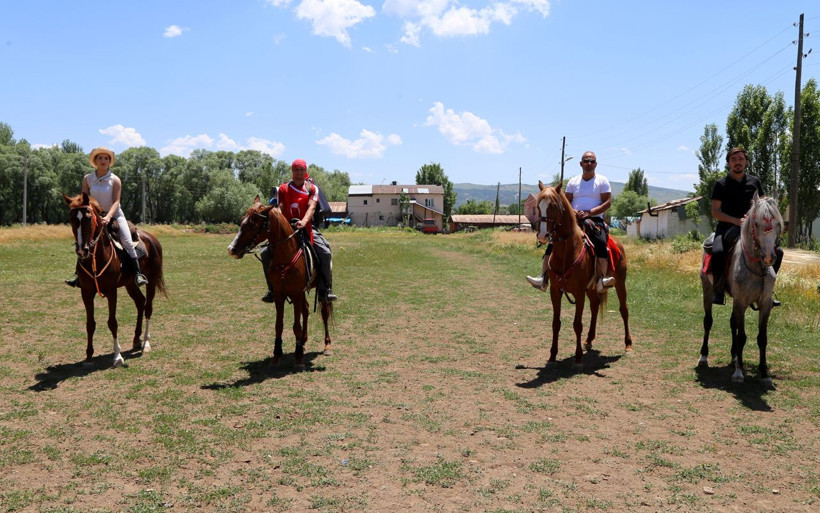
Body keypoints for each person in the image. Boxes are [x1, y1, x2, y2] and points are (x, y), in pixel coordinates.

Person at [526, 151, 615, 292]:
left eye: (592, 161)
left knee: (600, 243)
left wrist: (590, 212)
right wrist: (574, 212)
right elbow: (567, 203)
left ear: (596, 164)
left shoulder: (602, 181)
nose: (589, 163)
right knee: (553, 242)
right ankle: (543, 278)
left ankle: (601, 279)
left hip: (594, 219)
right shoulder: (573, 182)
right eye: (586, 160)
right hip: (574, 219)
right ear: (581, 163)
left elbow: (607, 202)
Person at [65, 147, 148, 287]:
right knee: (83, 241)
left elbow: (116, 202)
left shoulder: (115, 180)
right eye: (100, 158)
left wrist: (108, 217)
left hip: (114, 214)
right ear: (95, 161)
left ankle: (137, 274)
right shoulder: (88, 179)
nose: (103, 161)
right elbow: (83, 200)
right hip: (94, 215)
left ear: (109, 162)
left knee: (127, 241)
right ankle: (78, 275)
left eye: (106, 158)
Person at [710, 147, 783, 306]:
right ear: (729, 163)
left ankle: (767, 291)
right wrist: (736, 221)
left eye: (741, 159)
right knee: (717, 251)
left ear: (746, 162)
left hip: (753, 228)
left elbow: (763, 207)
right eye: (734, 160)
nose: (737, 163)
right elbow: (716, 212)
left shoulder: (755, 182)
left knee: (778, 252)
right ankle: (719, 290)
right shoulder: (720, 184)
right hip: (727, 228)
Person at [261, 159, 337, 302]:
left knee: (325, 252)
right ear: (292, 171)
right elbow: (281, 206)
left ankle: (325, 289)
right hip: (286, 229)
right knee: (265, 253)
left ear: (305, 171)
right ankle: (272, 289)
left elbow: (312, 207)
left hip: (306, 227)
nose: (299, 173)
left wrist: (304, 221)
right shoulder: (284, 188)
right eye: (296, 170)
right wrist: (274, 215)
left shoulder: (311, 188)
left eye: (301, 170)